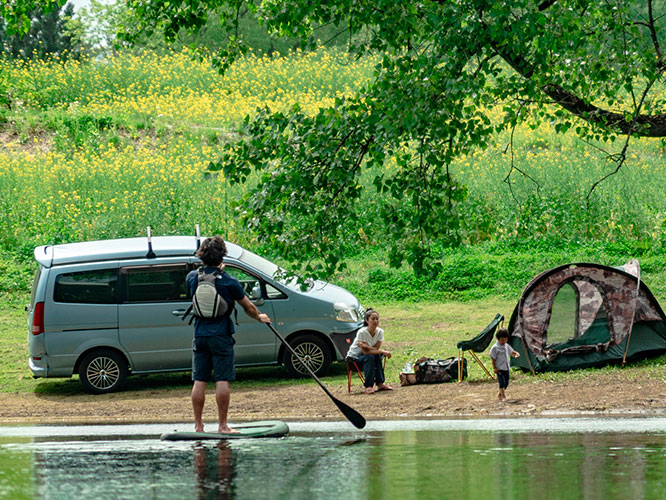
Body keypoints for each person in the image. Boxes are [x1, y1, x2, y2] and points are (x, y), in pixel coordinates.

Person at [187, 236, 271, 433]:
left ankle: (198, 426)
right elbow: (248, 307)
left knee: (200, 380)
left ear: (202, 255)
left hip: (200, 335)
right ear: (222, 256)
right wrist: (259, 317)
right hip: (221, 336)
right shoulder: (229, 281)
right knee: (222, 379)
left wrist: (215, 271)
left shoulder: (191, 277)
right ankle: (223, 426)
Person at [346, 309, 393, 394]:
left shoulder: (380, 332)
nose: (375, 321)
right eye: (373, 319)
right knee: (370, 357)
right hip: (354, 359)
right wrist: (382, 351)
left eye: (377, 319)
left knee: (377, 355)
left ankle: (380, 383)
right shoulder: (362, 332)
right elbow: (366, 352)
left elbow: (375, 349)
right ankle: (368, 386)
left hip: (369, 357)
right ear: (367, 321)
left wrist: (368, 347)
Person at [489, 327, 520, 401]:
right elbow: (493, 359)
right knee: (501, 382)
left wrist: (516, 354)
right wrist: (495, 368)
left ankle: (500, 393)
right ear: (498, 339)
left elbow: (512, 352)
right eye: (502, 340)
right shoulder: (495, 348)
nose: (504, 341)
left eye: (505, 339)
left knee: (506, 382)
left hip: (506, 367)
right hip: (499, 368)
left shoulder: (506, 346)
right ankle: (503, 396)